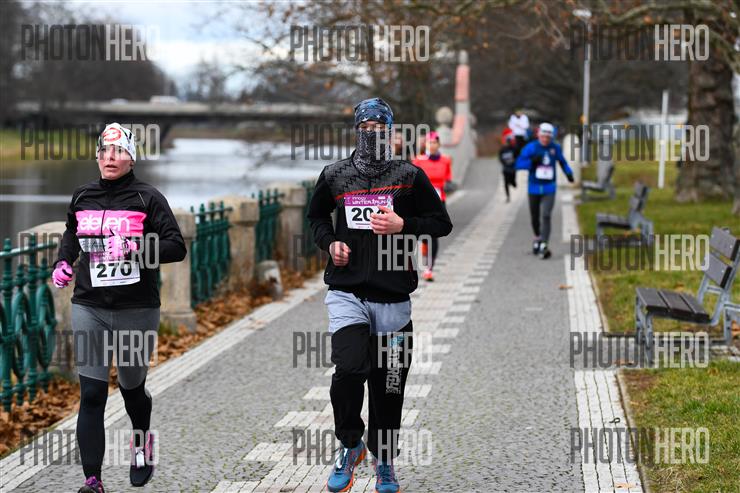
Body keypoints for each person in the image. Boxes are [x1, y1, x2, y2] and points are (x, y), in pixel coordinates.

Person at [307, 98, 452, 493]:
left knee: (389, 386)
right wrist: (330, 242)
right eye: (366, 128)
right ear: (357, 130)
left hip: (393, 296)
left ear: (391, 131)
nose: (372, 134)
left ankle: (384, 460)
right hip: (347, 290)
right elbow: (316, 216)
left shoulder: (409, 175)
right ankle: (350, 443)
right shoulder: (335, 175)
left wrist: (404, 224)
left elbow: (441, 223)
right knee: (349, 369)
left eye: (380, 128)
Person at [52, 123, 187, 493]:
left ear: (132, 159)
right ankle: (93, 481)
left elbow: (176, 246)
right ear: (97, 157)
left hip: (136, 308)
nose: (111, 158)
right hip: (89, 305)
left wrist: (135, 248)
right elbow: (71, 233)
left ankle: (142, 441)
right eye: (105, 152)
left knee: (131, 387)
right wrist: (62, 261)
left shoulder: (148, 198)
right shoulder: (83, 195)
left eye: (120, 152)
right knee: (92, 394)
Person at [515, 122, 574, 259]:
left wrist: (569, 173)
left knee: (546, 215)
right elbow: (519, 163)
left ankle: (544, 244)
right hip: (534, 187)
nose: (545, 140)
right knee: (534, 216)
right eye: (543, 137)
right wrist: (531, 162)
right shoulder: (531, 147)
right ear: (539, 135)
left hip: (549, 187)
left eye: (548, 137)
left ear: (551, 137)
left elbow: (562, 162)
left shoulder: (555, 148)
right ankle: (537, 238)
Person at [412, 131, 452, 280]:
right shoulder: (418, 161)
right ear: (426, 144)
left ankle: (429, 269)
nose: (432, 145)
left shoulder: (446, 160)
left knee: (433, 235)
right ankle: (423, 250)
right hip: (421, 202)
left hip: (439, 202)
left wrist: (446, 186)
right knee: (421, 234)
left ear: (439, 144)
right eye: (430, 142)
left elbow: (447, 179)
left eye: (435, 142)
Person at [498, 133, 518, 202]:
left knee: (513, 183)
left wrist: (514, 161)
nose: (509, 143)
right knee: (506, 183)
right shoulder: (502, 149)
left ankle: (513, 183)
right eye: (508, 141)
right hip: (506, 168)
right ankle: (508, 197)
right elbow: (500, 157)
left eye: (510, 141)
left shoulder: (514, 148)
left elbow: (518, 156)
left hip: (513, 168)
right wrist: (504, 162)